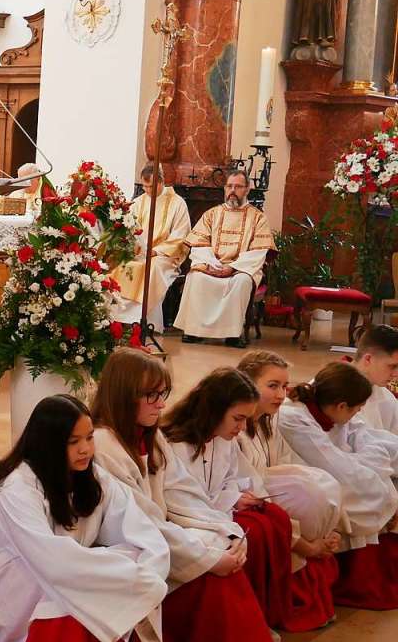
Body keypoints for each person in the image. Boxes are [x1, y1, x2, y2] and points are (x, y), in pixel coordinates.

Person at [91, 348, 273, 642]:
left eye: (164, 394)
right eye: (152, 395)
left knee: (223, 549)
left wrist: (225, 530)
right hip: (128, 547)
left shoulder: (152, 436)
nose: (161, 405)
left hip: (160, 537)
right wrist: (206, 558)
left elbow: (182, 492)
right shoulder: (103, 444)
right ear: (124, 393)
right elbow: (137, 522)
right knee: (215, 576)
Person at [0, 395, 169, 642]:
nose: (86, 449)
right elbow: (52, 562)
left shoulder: (92, 475)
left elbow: (142, 532)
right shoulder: (15, 488)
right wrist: (128, 577)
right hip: (7, 584)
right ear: (48, 444)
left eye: (90, 437)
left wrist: (145, 573)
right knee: (80, 591)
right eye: (73, 441)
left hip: (63, 567)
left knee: (131, 560)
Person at [162, 368, 294, 629]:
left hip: (213, 513)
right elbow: (182, 502)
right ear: (213, 410)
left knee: (275, 517)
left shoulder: (224, 437)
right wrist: (227, 518)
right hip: (189, 522)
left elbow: (228, 479)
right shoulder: (175, 445)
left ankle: (266, 613)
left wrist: (235, 497)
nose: (242, 427)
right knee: (251, 534)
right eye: (238, 418)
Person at [236, 351, 343, 632]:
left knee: (320, 486)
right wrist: (306, 544)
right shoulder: (234, 429)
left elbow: (288, 466)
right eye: (272, 386)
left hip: (270, 504)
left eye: (284, 386)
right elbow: (254, 492)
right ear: (247, 383)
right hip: (245, 506)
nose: (281, 395)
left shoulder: (270, 420)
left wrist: (326, 525)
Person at [277, 363, 398, 610]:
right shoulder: (294, 419)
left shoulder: (332, 406)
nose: (356, 416)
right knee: (357, 491)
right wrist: (387, 500)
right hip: (311, 483)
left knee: (374, 481)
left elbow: (367, 439)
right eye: (355, 411)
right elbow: (335, 468)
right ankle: (357, 582)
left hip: (345, 474)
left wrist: (365, 465)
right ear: (342, 406)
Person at [174, 170, 274, 347]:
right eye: (229, 186)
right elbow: (199, 243)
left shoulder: (258, 218)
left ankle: (233, 334)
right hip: (212, 265)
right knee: (196, 277)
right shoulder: (211, 214)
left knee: (242, 282)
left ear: (247, 189)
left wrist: (233, 268)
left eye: (238, 186)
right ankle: (195, 331)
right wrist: (212, 265)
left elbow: (259, 252)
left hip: (241, 269)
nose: (233, 190)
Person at [109, 163, 190, 333]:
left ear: (161, 182)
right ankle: (120, 318)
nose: (147, 190)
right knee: (120, 265)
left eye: (151, 186)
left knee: (151, 269)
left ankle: (143, 320)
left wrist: (156, 251)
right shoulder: (138, 202)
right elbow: (129, 229)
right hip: (140, 253)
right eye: (144, 186)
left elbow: (181, 236)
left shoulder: (177, 203)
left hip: (164, 255)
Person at [350, 324, 398, 434]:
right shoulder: (332, 392)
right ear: (368, 359)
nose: (396, 374)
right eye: (392, 366)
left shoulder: (384, 395)